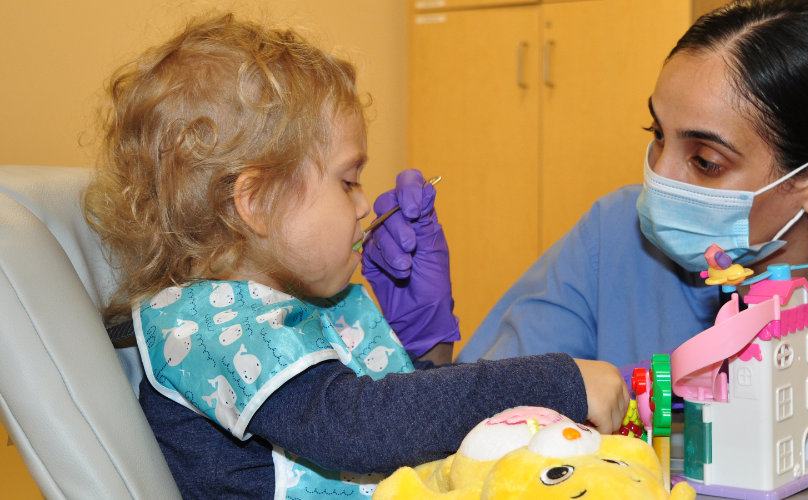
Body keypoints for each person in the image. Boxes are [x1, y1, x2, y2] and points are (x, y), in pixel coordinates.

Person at [441, 0, 808, 497]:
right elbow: (474, 440)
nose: (660, 177)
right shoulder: (614, 235)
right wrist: (426, 344)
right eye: (656, 134)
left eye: (706, 162)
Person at [83, 13, 629, 499]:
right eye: (348, 181)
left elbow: (403, 431)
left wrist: (425, 346)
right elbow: (356, 427)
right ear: (255, 202)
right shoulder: (202, 322)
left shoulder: (300, 303)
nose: (366, 205)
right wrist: (560, 381)